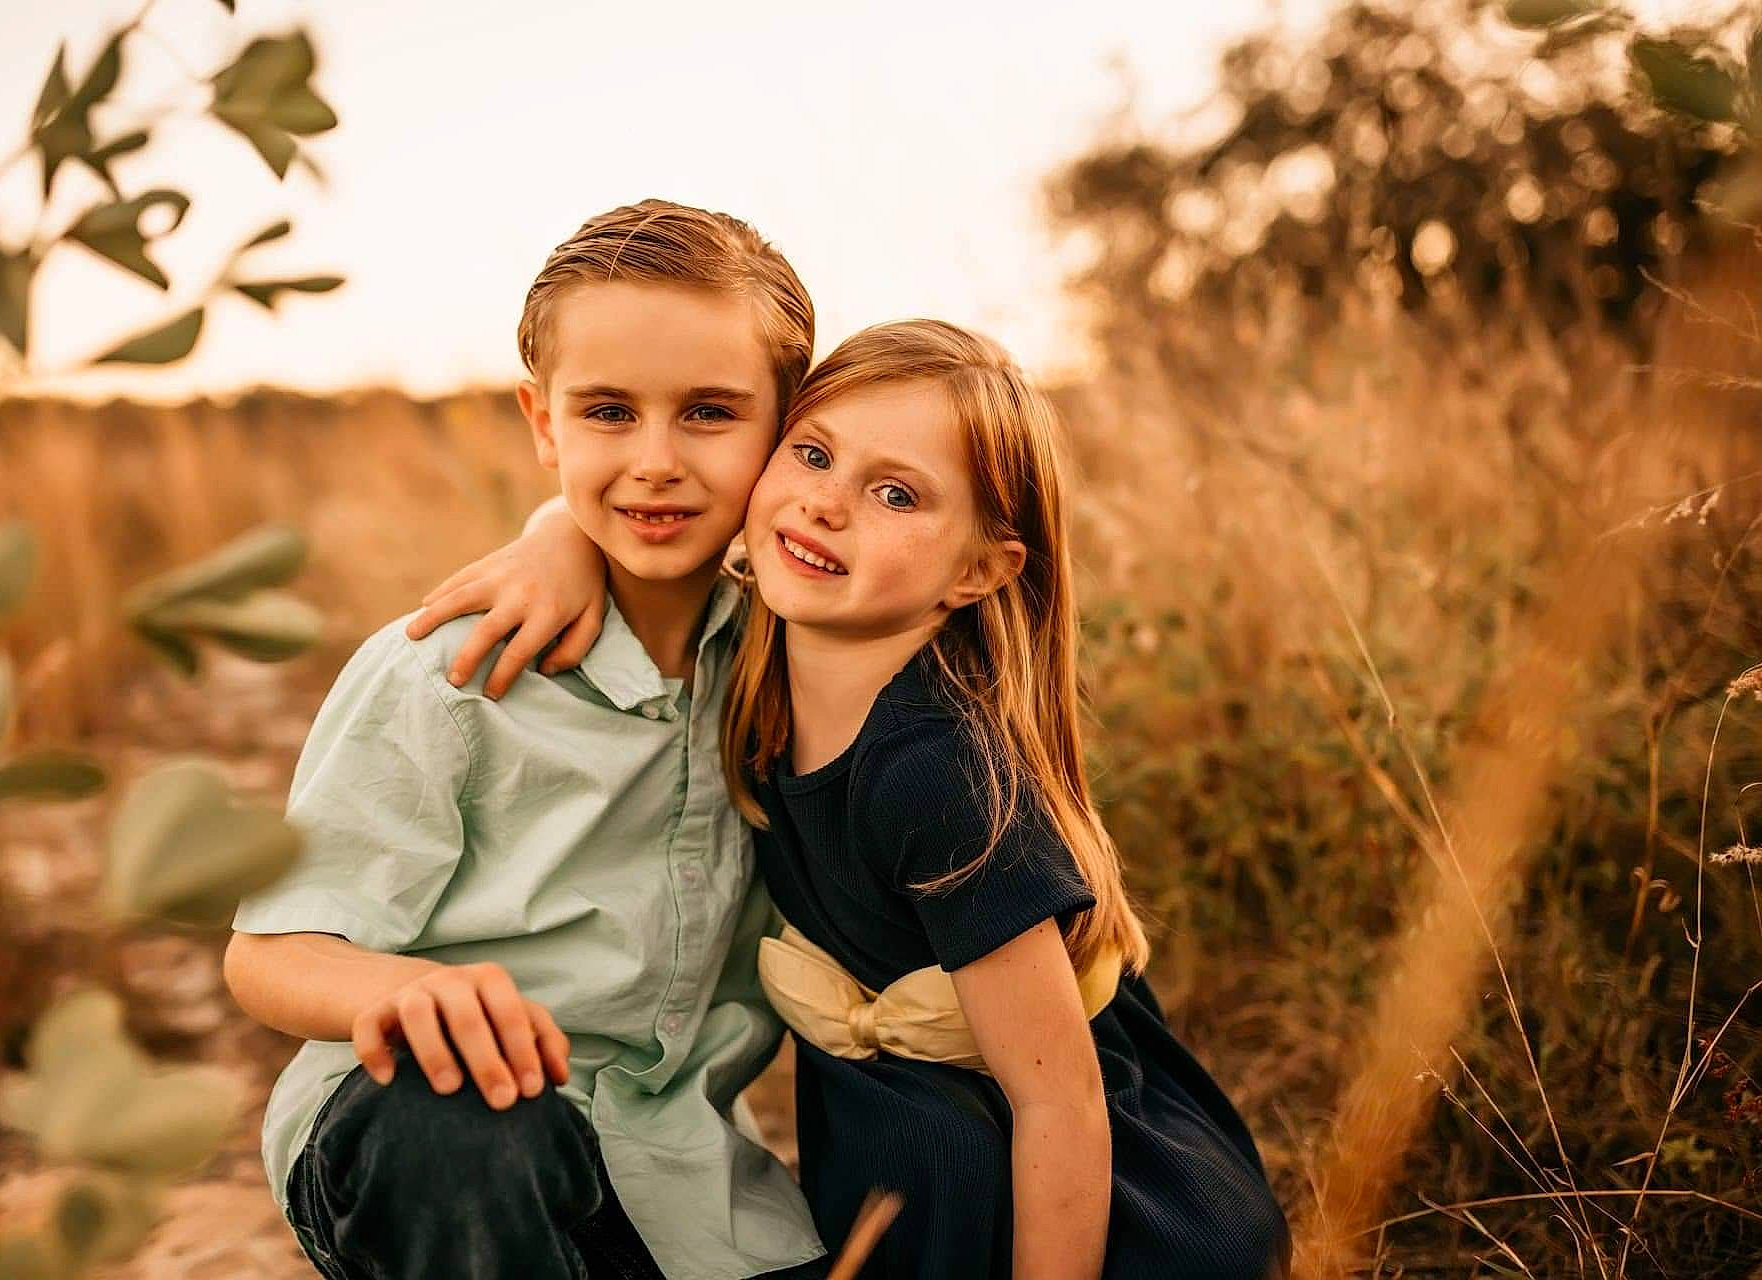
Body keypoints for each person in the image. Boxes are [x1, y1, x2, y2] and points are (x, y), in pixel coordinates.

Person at [411, 321, 1293, 1278]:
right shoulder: (750, 642)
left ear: (979, 570)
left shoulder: (936, 772)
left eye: (895, 493)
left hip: (1081, 1207)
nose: (826, 506)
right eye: (816, 453)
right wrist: (556, 539)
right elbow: (625, 527)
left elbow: (1061, 1104)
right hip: (907, 1146)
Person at [222, 199, 829, 1280]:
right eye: (605, 411)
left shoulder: (796, 659)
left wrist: (560, 530)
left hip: (687, 1184)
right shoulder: (446, 674)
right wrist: (399, 993)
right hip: (441, 1148)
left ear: (786, 425)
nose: (654, 460)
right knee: (464, 1121)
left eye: (708, 413)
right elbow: (270, 952)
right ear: (542, 422)